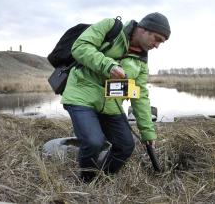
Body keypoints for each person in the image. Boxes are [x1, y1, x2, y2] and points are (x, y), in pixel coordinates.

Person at [61, 12, 171, 182]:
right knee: (93, 142)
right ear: (143, 29)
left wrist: (148, 132)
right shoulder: (110, 27)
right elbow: (80, 47)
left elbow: (139, 96)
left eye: (161, 43)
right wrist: (108, 65)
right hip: (81, 96)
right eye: (157, 39)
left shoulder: (141, 62)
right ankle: (86, 181)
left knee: (126, 145)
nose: (157, 45)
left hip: (111, 105)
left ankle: (102, 179)